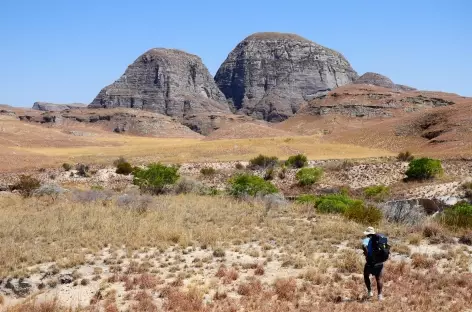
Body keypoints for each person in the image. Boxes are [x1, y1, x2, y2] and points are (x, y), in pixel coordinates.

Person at [362, 226, 384, 301]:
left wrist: (367, 255)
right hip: (380, 262)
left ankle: (369, 291)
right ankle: (380, 296)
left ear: (367, 234)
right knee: (379, 278)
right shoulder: (380, 239)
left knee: (365, 275)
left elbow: (364, 248)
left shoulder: (366, 240)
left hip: (370, 263)